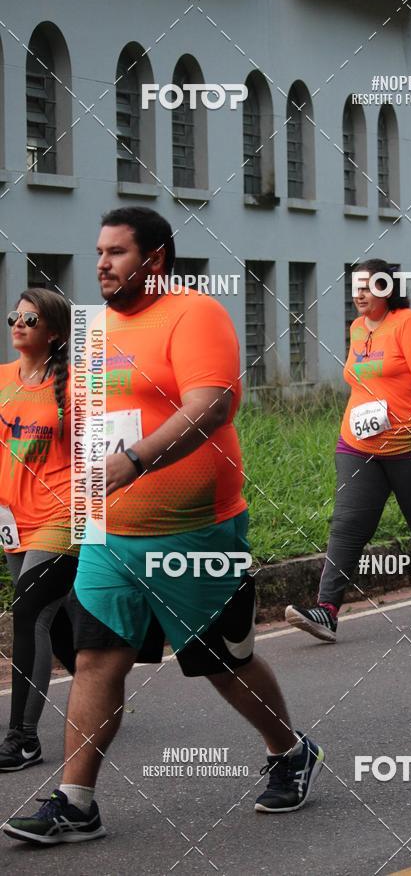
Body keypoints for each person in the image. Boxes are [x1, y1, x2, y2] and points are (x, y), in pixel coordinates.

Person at [5, 207, 323, 846]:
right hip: (109, 532)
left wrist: (136, 460)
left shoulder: (193, 313)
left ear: (153, 259)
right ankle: (77, 802)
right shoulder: (92, 334)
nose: (100, 263)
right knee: (96, 658)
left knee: (221, 662)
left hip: (195, 531)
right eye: (98, 251)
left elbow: (212, 405)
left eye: (116, 252)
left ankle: (289, 750)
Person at [285, 259, 411, 643]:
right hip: (358, 444)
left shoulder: (410, 324)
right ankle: (326, 610)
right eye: (354, 286)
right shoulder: (357, 328)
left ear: (387, 288)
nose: (358, 293)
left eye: (367, 286)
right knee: (348, 525)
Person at [0, 289, 77, 772]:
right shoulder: (3, 378)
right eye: (14, 316)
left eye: (31, 318)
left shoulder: (74, 384)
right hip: (12, 517)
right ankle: (98, 683)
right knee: (57, 613)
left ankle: (22, 739)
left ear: (53, 331)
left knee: (29, 612)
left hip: (62, 514)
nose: (19, 323)